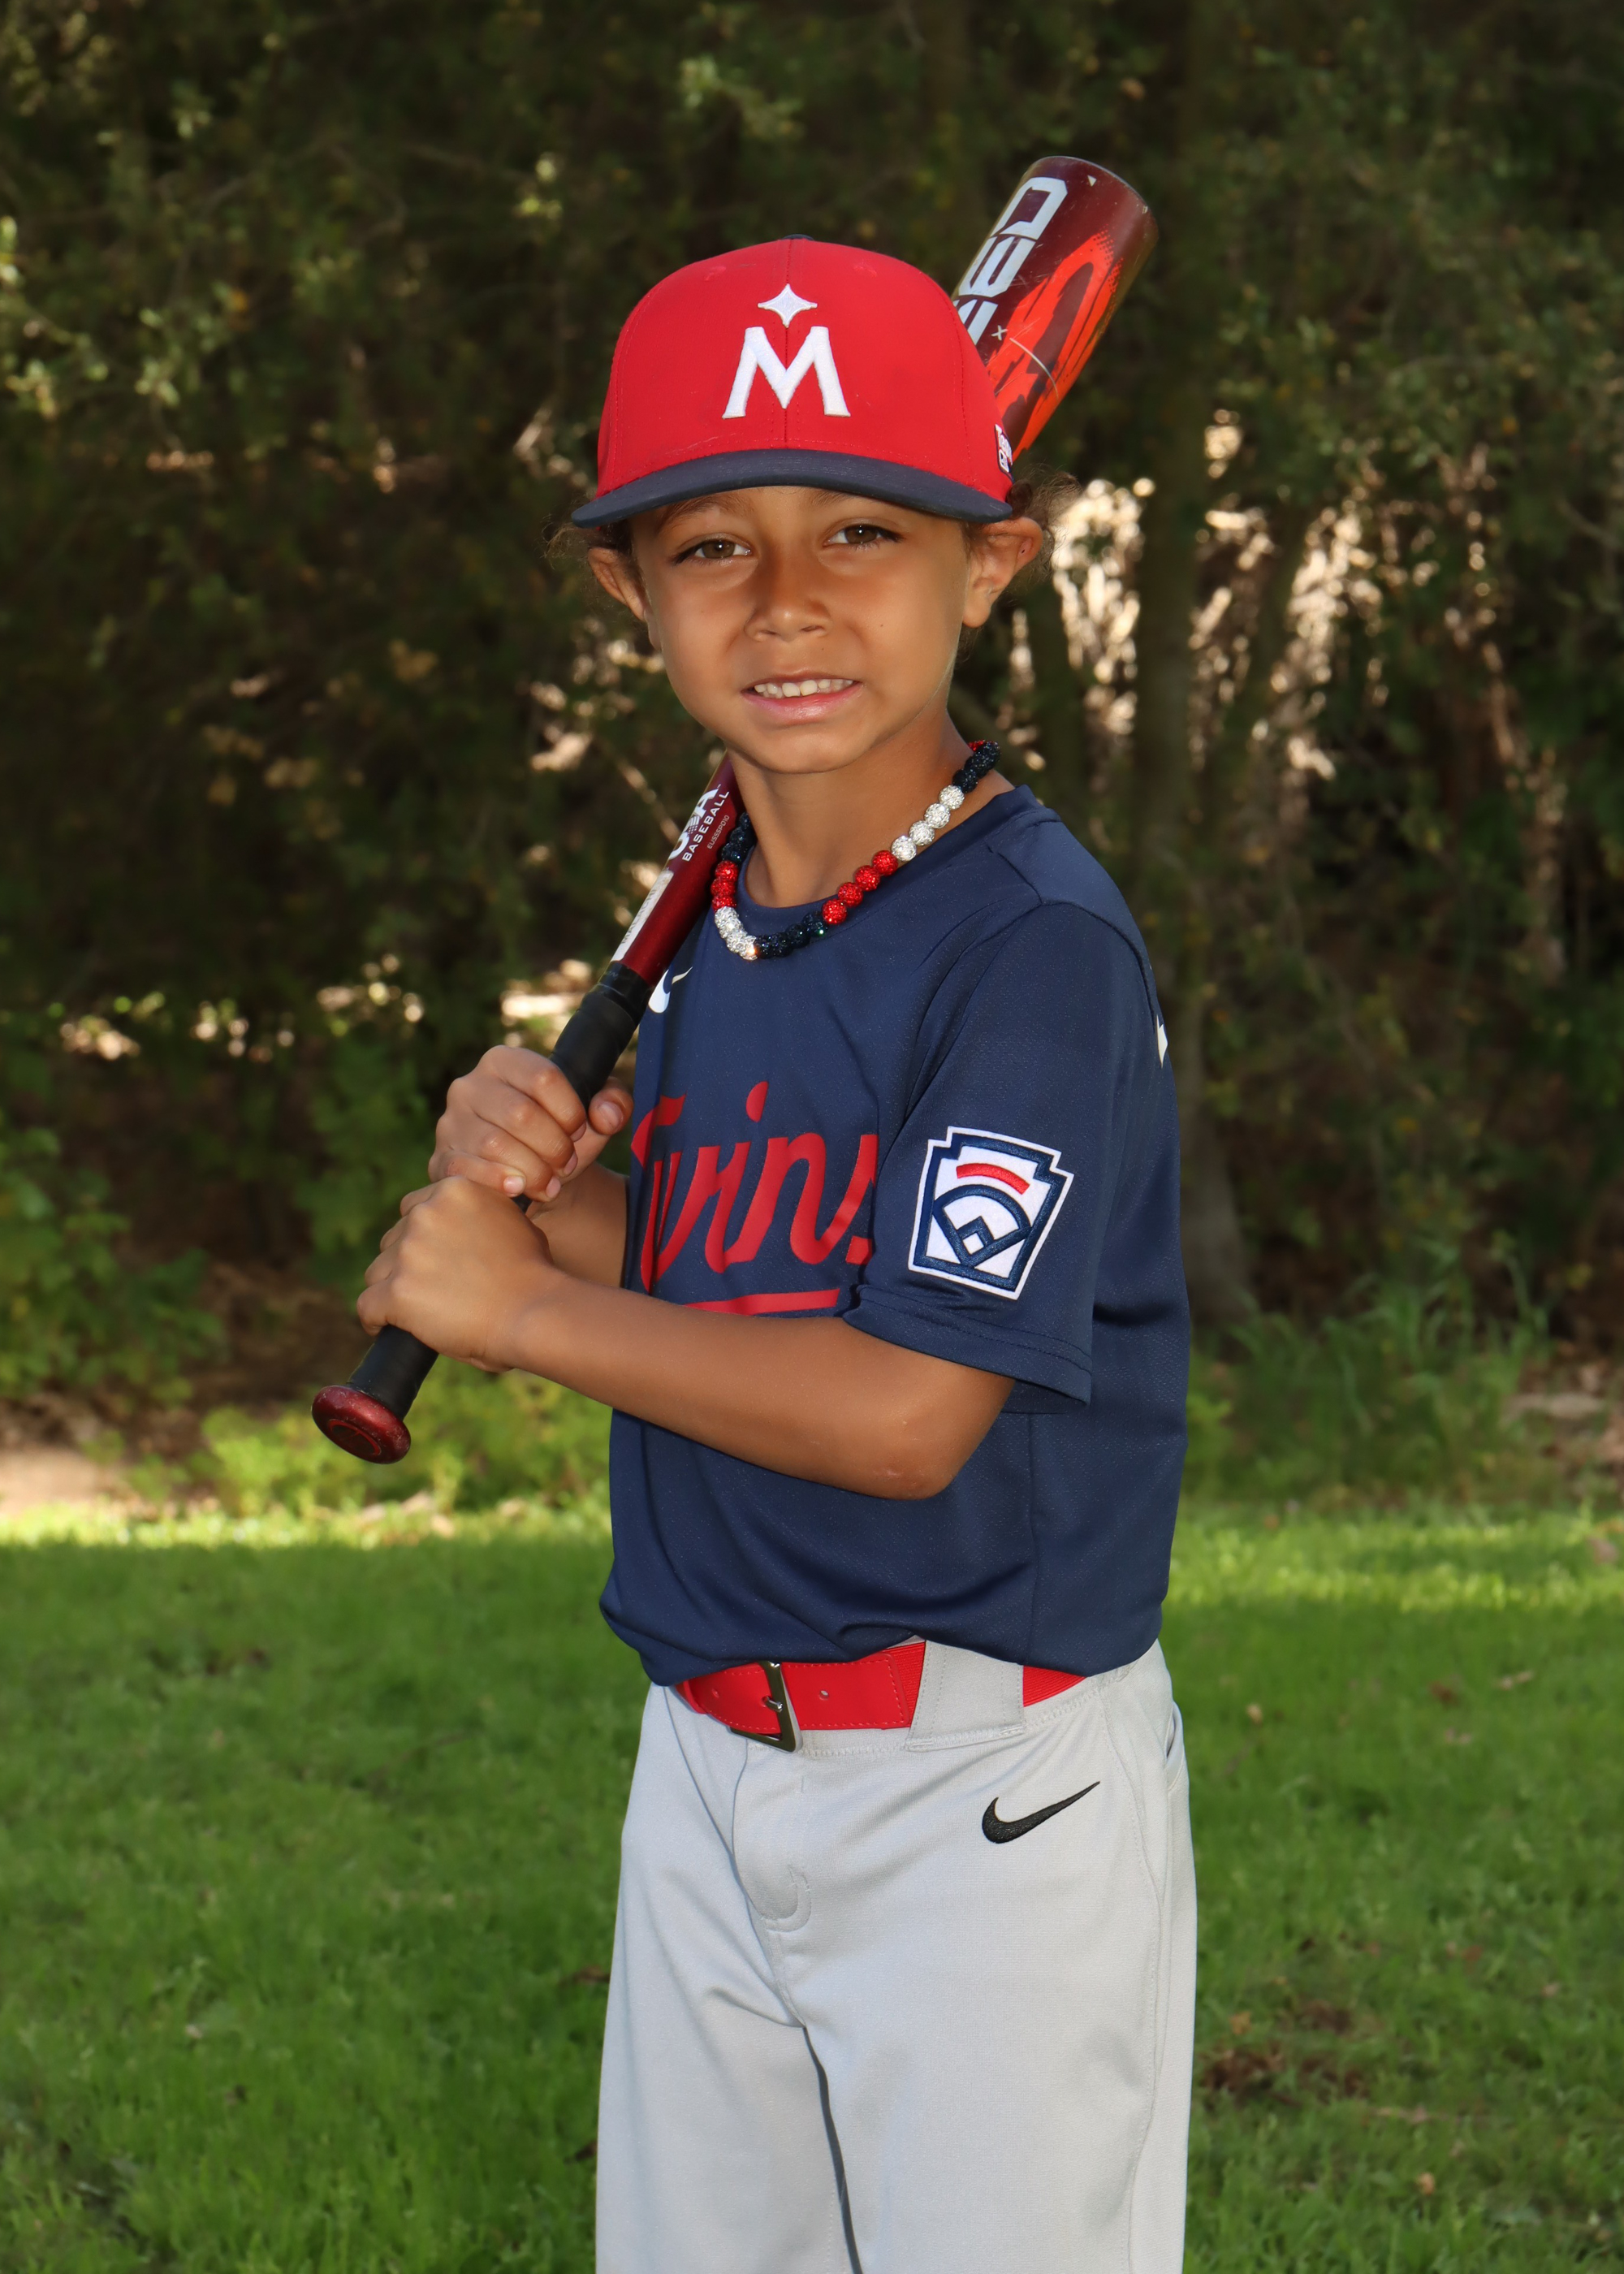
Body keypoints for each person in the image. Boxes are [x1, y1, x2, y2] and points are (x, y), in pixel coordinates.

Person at [358, 235, 1194, 2274]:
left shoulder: (1028, 946)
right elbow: (756, 1267)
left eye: (864, 530)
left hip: (979, 1793)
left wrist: (525, 1310)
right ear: (628, 590)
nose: (791, 597)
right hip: (711, 1759)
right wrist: (559, 1209)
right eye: (714, 544)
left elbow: (905, 1407)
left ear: (989, 564)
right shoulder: (735, 916)